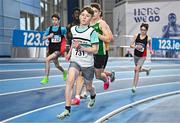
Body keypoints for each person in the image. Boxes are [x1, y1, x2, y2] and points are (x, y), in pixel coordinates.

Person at [57, 6, 99, 120]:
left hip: (87, 64)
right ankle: (67, 109)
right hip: (75, 61)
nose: (84, 17)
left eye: (87, 16)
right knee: (70, 81)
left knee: (89, 86)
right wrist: (70, 52)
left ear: (90, 19)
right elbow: (74, 42)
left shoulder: (92, 32)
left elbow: (95, 49)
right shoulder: (73, 29)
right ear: (80, 16)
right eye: (83, 15)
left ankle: (93, 95)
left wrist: (81, 48)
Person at [70, 3, 115, 106]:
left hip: (99, 53)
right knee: (82, 73)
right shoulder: (87, 24)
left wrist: (97, 35)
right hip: (88, 53)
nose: (93, 14)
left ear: (99, 13)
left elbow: (110, 38)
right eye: (92, 11)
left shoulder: (101, 23)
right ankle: (79, 95)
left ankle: (106, 78)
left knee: (98, 75)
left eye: (95, 11)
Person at [40, 14, 68, 84]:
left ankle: (46, 78)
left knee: (47, 59)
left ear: (59, 21)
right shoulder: (49, 29)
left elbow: (65, 38)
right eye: (53, 20)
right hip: (51, 49)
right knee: (57, 65)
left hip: (58, 49)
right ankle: (64, 72)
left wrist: (64, 48)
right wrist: (49, 36)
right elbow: (43, 38)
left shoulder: (62, 29)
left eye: (56, 20)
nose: (54, 21)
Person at [130, 23, 153, 93]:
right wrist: (136, 46)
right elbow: (131, 45)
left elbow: (150, 46)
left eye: (144, 30)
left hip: (143, 56)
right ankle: (146, 70)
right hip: (136, 55)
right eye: (141, 30)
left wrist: (151, 51)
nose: (143, 31)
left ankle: (134, 86)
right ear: (140, 29)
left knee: (136, 70)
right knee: (138, 69)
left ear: (147, 30)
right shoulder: (136, 35)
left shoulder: (148, 38)